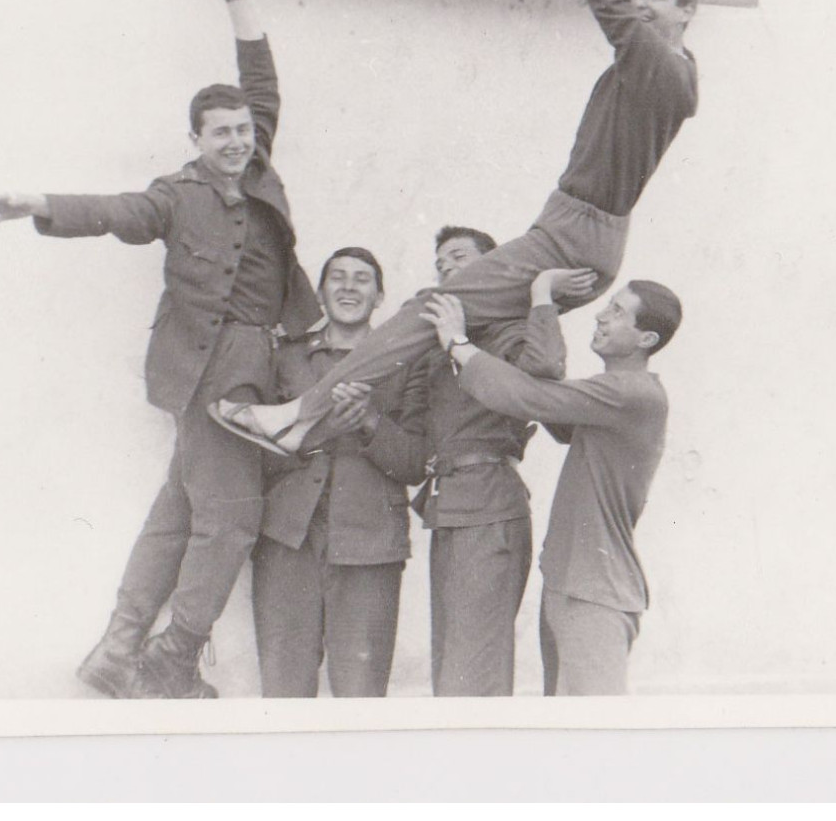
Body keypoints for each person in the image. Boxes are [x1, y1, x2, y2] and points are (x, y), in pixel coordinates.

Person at [212, 0, 700, 457]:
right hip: (577, 230)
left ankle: (299, 417)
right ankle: (314, 420)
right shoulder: (672, 62)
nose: (639, 3)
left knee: (431, 308)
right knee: (469, 328)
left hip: (575, 236)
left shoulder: (655, 63)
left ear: (686, 13)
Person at [0, 0, 320, 699]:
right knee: (229, 519)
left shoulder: (258, 167)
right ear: (195, 139)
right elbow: (118, 214)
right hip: (211, 372)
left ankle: (119, 646)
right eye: (219, 132)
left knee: (179, 510)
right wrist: (42, 202)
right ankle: (171, 659)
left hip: (259, 362)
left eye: (242, 129)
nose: (235, 140)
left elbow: (262, 76)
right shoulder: (174, 194)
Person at [420, 279, 683, 696]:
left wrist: (459, 341)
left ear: (645, 338)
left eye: (617, 312)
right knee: (563, 728)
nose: (601, 315)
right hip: (572, 582)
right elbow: (543, 397)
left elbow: (529, 396)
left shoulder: (634, 393)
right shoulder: (608, 397)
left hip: (596, 593)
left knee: (595, 736)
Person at [379, 227, 580, 696]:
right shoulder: (436, 352)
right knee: (452, 663)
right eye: (440, 264)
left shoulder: (504, 334)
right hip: (448, 510)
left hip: (489, 507)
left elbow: (546, 370)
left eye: (459, 258)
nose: (447, 269)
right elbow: (413, 452)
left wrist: (539, 296)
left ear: (493, 270)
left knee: (475, 669)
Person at [251, 247, 432, 698]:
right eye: (338, 277)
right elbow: (251, 452)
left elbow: (416, 462)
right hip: (287, 540)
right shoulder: (286, 359)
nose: (349, 287)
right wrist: (317, 431)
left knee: (361, 695)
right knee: (283, 693)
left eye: (362, 279)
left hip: (370, 545)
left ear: (379, 296)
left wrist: (370, 420)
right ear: (321, 291)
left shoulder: (408, 362)